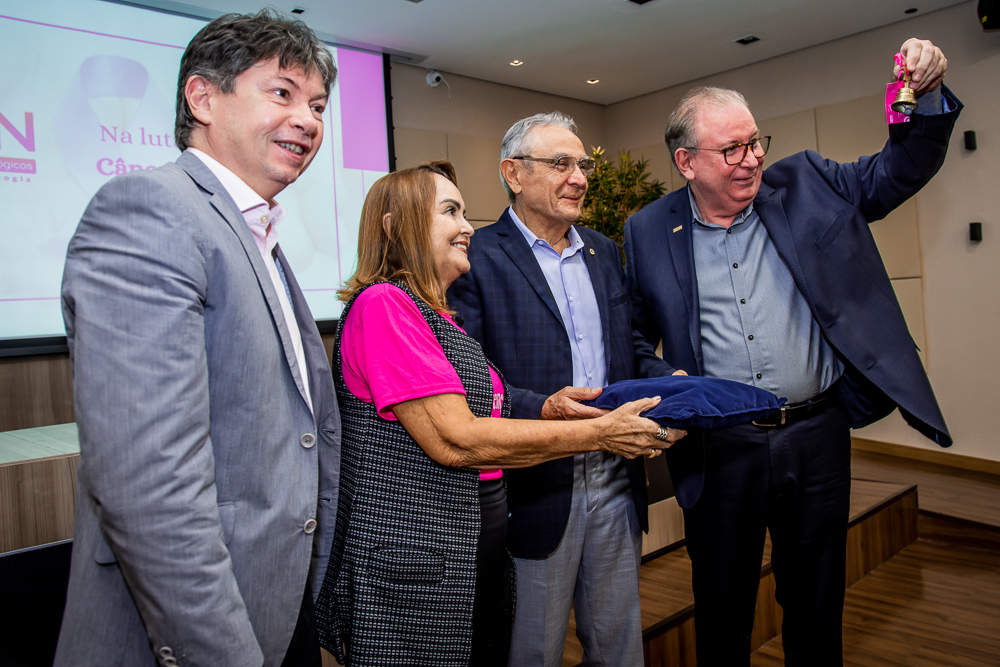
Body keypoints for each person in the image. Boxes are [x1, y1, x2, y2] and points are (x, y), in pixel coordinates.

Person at [624, 38, 958, 666]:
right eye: (731, 150)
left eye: (755, 142)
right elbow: (636, 334)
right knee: (722, 611)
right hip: (719, 446)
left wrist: (928, 93)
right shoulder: (647, 229)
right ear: (686, 161)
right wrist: (669, 382)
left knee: (816, 604)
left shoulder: (808, 182)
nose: (750, 160)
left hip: (815, 434)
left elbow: (900, 170)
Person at [55, 11, 340, 667]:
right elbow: (150, 487)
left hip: (275, 598)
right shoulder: (149, 209)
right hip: (198, 630)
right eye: (283, 93)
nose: (309, 120)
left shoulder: (258, 234)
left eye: (318, 105)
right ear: (203, 97)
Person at [313, 161, 680, 667]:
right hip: (417, 568)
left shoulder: (437, 316)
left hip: (466, 558)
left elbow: (492, 406)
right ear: (395, 227)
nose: (467, 226)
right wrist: (601, 433)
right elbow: (456, 438)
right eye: (450, 211)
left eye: (463, 212)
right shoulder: (384, 306)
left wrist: (553, 407)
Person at [448, 112, 682, 666]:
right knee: (533, 650)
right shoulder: (475, 256)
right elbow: (469, 372)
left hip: (615, 478)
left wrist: (668, 380)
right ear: (514, 173)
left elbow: (630, 347)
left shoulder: (602, 251)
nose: (578, 177)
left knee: (619, 646)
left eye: (582, 165)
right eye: (561, 164)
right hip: (536, 484)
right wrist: (543, 408)